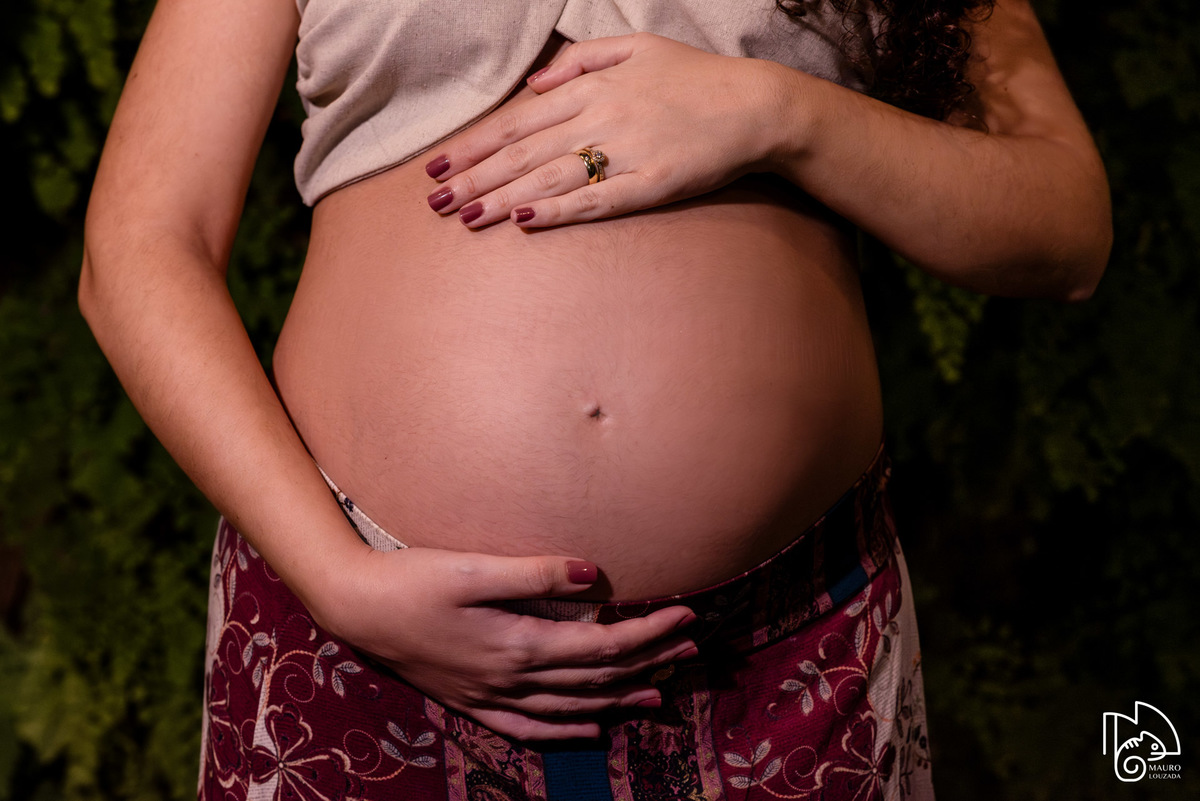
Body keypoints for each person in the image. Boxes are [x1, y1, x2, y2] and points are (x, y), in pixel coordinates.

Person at [79, 0, 1111, 798]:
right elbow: (140, 244)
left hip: (783, 659)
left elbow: (1065, 231)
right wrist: (338, 581)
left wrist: (783, 115)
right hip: (363, 639)